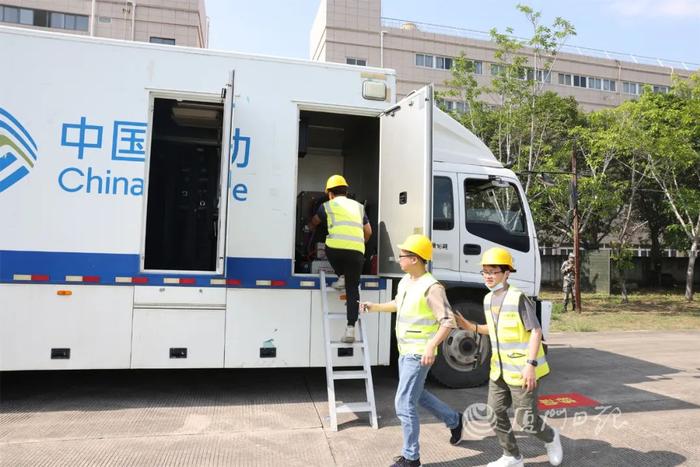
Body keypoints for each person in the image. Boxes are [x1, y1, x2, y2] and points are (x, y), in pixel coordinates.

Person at [359, 234, 463, 467]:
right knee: (417, 395)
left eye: (403, 256)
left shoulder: (432, 287)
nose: (399, 259)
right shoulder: (406, 281)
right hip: (405, 350)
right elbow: (399, 304)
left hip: (419, 352)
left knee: (404, 404)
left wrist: (430, 345)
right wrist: (373, 306)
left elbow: (448, 322)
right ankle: (454, 420)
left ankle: (411, 457)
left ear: (415, 259)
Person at [454, 247, 563, 467]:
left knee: (526, 420)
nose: (488, 276)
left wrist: (530, 365)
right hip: (499, 370)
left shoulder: (518, 298)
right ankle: (512, 456)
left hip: (523, 370)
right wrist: (470, 326)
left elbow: (535, 331)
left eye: (493, 271)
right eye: (484, 271)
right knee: (494, 413)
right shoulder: (487, 299)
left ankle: (551, 437)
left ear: (506, 273)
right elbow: (494, 329)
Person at [308, 174, 372, 343]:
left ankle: (341, 275)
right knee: (353, 290)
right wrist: (359, 244)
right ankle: (350, 329)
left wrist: (307, 227)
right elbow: (369, 232)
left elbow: (314, 222)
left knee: (328, 243)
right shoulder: (359, 207)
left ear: (330, 193)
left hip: (335, 251)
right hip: (357, 253)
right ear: (346, 191)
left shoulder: (327, 206)